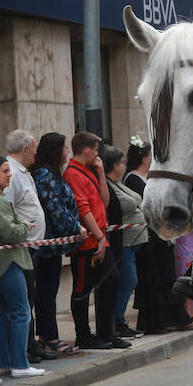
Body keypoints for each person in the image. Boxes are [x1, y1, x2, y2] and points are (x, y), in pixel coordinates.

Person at [0, 156, 43, 378]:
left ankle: (0, 363)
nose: (9, 174)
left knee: (0, 315)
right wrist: (24, 226)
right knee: (21, 312)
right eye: (4, 171)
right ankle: (20, 364)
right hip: (7, 263)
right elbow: (10, 233)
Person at [64, 132, 128, 350]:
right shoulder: (73, 173)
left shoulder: (89, 170)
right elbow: (83, 210)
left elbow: (104, 201)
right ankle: (84, 335)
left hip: (100, 238)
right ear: (87, 150)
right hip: (88, 242)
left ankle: (106, 332)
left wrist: (101, 173)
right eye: (96, 149)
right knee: (82, 288)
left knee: (112, 282)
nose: (98, 154)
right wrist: (99, 237)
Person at [123, 139, 193, 334]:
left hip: (161, 235)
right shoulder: (131, 179)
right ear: (145, 158)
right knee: (154, 279)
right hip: (148, 238)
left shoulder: (149, 177)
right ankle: (156, 321)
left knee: (168, 276)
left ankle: (178, 317)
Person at [3, 129, 54, 363]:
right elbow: (7, 209)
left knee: (30, 296)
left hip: (32, 245)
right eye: (33, 148)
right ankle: (24, 347)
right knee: (25, 298)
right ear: (24, 149)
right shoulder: (10, 173)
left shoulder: (22, 171)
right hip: (22, 246)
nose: (36, 152)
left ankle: (30, 343)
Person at [29, 132, 82, 356]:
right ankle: (49, 336)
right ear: (55, 150)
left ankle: (47, 335)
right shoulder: (44, 175)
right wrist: (76, 229)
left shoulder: (52, 174)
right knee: (45, 293)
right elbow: (55, 209)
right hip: (46, 245)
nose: (67, 152)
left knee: (48, 292)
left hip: (52, 246)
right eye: (64, 148)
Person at [103, 145, 146, 338]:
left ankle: (118, 320)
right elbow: (126, 204)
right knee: (129, 280)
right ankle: (117, 321)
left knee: (129, 280)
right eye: (121, 162)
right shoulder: (108, 185)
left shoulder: (119, 182)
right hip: (124, 243)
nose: (124, 165)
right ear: (113, 165)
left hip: (134, 241)